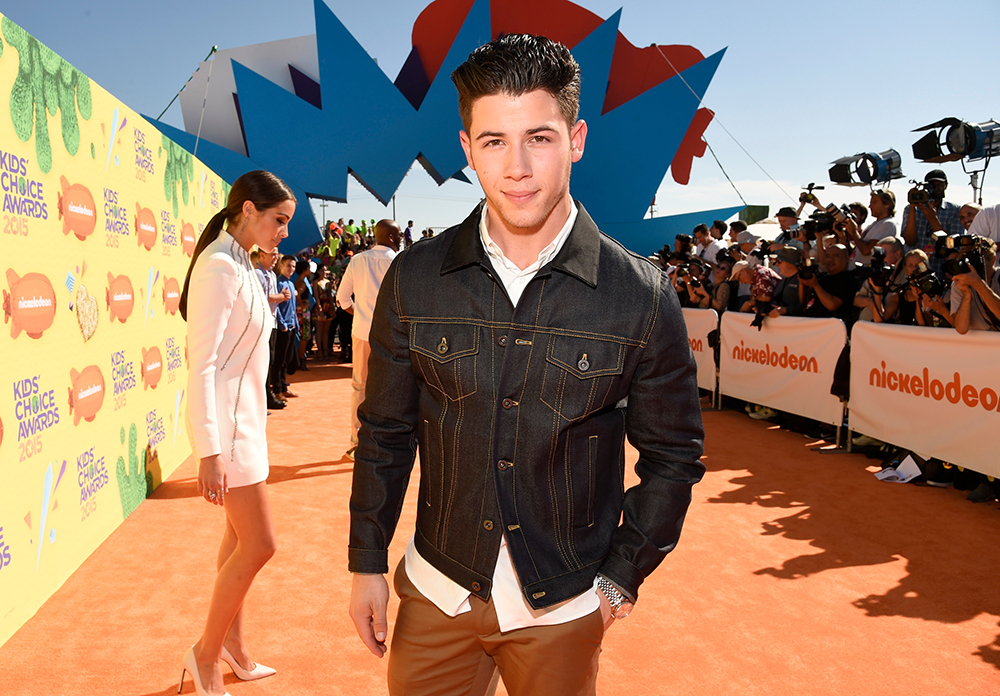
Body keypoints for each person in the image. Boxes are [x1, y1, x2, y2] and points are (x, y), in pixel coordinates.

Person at [347, 34, 704, 696]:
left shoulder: (642, 296)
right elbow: (386, 431)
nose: (516, 166)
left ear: (576, 139)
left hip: (565, 608)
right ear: (466, 150)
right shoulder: (414, 279)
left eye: (538, 138)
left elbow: (674, 456)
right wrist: (367, 561)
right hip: (435, 592)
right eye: (493, 142)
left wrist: (618, 578)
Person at [178, 170, 295, 696]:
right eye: (279, 220)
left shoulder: (244, 264)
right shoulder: (220, 267)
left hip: (248, 425)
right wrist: (210, 451)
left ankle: (235, 648)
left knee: (237, 540)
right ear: (247, 209)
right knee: (260, 544)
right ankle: (205, 655)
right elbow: (200, 365)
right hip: (227, 433)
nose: (283, 232)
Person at [335, 219, 401, 460]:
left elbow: (342, 299)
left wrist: (361, 313)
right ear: (392, 237)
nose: (402, 238)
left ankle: (356, 443)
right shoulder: (397, 261)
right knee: (390, 390)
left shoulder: (357, 260)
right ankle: (384, 444)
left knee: (359, 388)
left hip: (362, 332)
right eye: (400, 234)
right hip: (391, 335)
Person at [255, 247, 291, 409]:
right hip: (262, 323)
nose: (276, 258)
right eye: (273, 254)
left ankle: (268, 396)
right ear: (262, 255)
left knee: (271, 360)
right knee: (263, 362)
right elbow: (262, 297)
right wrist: (281, 297)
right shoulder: (257, 273)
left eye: (277, 254)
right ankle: (264, 398)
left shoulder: (270, 274)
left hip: (273, 322)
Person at [901, 169, 962, 265]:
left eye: (939, 184)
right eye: (932, 185)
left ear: (945, 185)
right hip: (914, 267)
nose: (936, 188)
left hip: (940, 267)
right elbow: (910, 241)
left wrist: (932, 219)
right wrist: (913, 206)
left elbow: (952, 246)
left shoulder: (955, 210)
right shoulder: (912, 209)